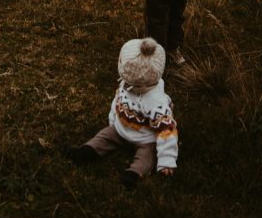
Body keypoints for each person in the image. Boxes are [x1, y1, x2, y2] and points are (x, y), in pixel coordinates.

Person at [66, 37, 178, 188]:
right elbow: (118, 104)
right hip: (121, 129)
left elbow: (166, 130)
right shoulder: (126, 85)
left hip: (146, 139)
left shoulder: (156, 103)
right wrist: (113, 121)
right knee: (104, 136)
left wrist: (167, 161)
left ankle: (134, 173)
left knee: (147, 156)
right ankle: (86, 152)